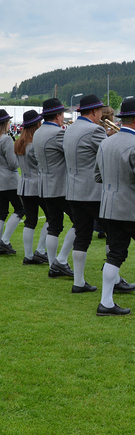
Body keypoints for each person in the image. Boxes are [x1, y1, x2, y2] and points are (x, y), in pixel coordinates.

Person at [64, 94, 135, 294]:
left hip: (73, 189)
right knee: (114, 239)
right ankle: (116, 279)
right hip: (96, 193)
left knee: (82, 235)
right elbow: (113, 156)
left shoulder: (70, 129)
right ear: (95, 111)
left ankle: (79, 281)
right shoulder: (95, 130)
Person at [93, 97, 135, 316]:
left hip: (109, 205)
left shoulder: (105, 142)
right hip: (130, 207)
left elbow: (97, 176)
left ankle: (106, 302)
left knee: (115, 254)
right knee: (116, 253)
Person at [32, 98, 76, 278]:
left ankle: (53, 265)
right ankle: (61, 260)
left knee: (54, 225)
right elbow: (71, 153)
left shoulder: (38, 132)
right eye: (62, 114)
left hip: (45, 185)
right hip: (61, 186)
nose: (63, 117)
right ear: (58, 116)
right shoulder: (58, 133)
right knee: (81, 223)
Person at [0, 109, 24, 255]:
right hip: (8, 180)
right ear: (4, 123)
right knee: (20, 209)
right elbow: (13, 164)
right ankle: (4, 241)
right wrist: (20, 154)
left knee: (1, 212)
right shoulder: (6, 139)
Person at [14, 110, 49, 265]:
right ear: (37, 124)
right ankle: (40, 250)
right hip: (38, 185)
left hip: (24, 184)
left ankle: (28, 255)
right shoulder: (35, 144)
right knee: (53, 218)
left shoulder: (19, 142)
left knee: (30, 221)